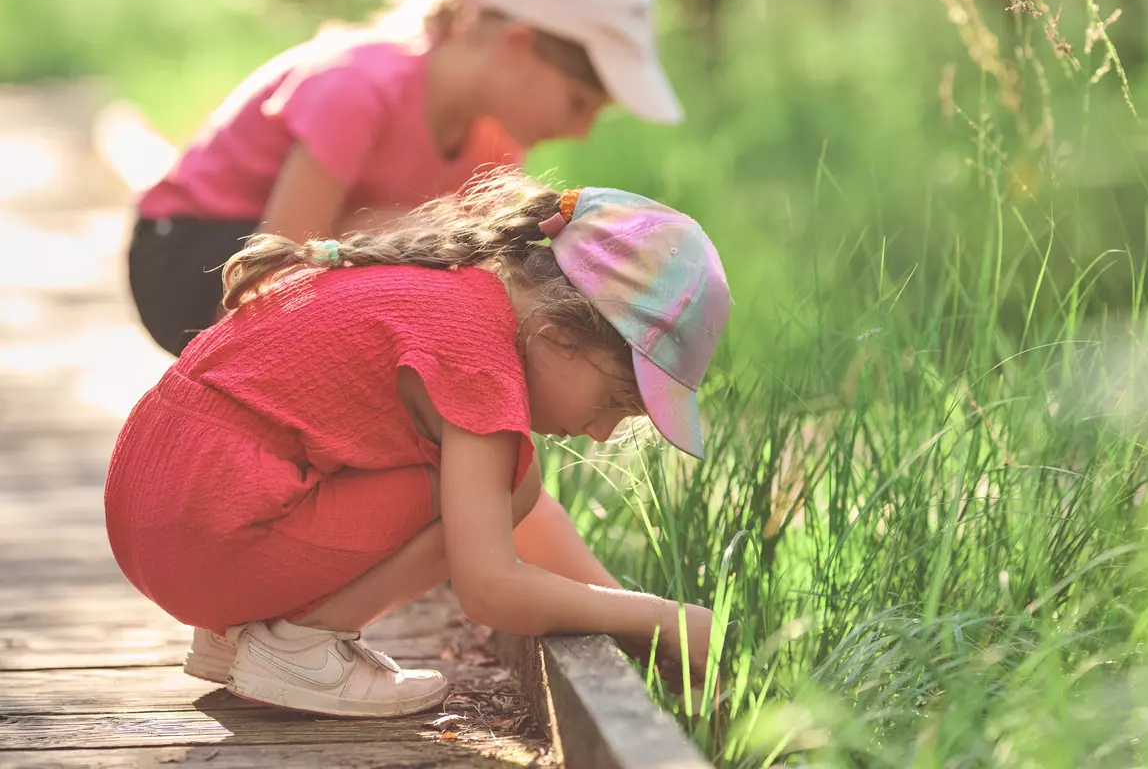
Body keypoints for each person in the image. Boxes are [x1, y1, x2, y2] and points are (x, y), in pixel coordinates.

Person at [105, 171, 731, 718]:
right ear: (561, 331)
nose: (604, 432)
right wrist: (666, 620)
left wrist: (639, 629)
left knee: (509, 485)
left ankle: (243, 632)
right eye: (619, 401)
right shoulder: (478, 357)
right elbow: (490, 586)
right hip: (205, 536)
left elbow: (526, 519)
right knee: (510, 480)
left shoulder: (453, 292)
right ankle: (301, 647)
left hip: (161, 523)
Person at [128, 0, 684, 356]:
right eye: (578, 102)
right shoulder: (360, 86)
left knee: (469, 255)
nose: (582, 130)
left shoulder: (494, 139)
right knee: (424, 236)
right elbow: (270, 264)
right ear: (518, 45)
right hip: (192, 255)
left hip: (295, 257)